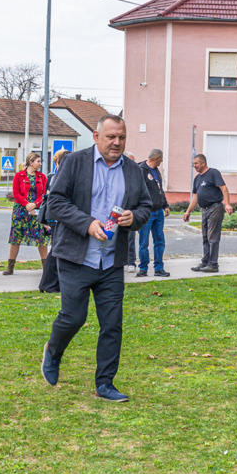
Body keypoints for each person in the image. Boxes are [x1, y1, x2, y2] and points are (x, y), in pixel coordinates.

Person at [40, 115, 151, 402]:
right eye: (111, 137)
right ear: (96, 136)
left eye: (122, 137)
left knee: (112, 323)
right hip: (77, 257)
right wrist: (87, 224)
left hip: (111, 261)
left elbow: (145, 207)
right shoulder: (75, 162)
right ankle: (53, 350)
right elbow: (56, 203)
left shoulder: (133, 171)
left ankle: (105, 383)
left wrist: (132, 218)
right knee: (73, 317)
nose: (117, 143)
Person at [183, 153, 233, 273]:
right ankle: (205, 262)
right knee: (205, 237)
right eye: (193, 163)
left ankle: (213, 264)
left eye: (196, 163)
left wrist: (227, 203)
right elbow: (195, 197)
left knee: (213, 237)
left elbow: (224, 188)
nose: (194, 166)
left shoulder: (213, 173)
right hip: (204, 210)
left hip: (215, 208)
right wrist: (188, 211)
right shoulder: (197, 178)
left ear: (203, 163)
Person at [3, 152, 49, 275]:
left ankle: (46, 267)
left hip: (36, 210)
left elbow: (44, 194)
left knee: (41, 237)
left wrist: (35, 204)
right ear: (31, 162)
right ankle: (10, 266)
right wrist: (27, 204)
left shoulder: (42, 177)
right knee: (15, 237)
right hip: (20, 210)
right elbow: (16, 194)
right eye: (38, 161)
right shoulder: (19, 176)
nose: (40, 164)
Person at [37, 148, 71, 293]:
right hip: (58, 218)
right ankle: (48, 284)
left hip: (57, 218)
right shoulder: (58, 177)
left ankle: (50, 284)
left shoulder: (58, 176)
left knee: (56, 251)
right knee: (56, 251)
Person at [137, 148, 171, 278]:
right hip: (146, 213)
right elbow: (138, 191)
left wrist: (165, 204)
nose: (161, 162)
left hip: (158, 212)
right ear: (156, 158)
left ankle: (159, 268)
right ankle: (143, 268)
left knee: (159, 241)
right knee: (143, 242)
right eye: (161, 160)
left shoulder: (156, 171)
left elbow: (159, 189)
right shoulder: (141, 170)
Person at [124, 151, 138, 272]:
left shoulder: (135, 175)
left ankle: (131, 261)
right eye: (131, 161)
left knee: (130, 238)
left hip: (129, 211)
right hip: (114, 212)